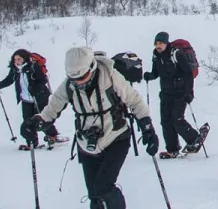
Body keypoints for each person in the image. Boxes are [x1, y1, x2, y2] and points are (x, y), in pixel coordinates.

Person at [24, 46, 157, 209]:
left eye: (82, 77)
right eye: (74, 79)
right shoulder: (69, 84)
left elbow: (134, 100)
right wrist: (38, 120)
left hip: (116, 137)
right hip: (86, 143)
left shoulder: (110, 76)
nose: (78, 82)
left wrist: (147, 127)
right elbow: (54, 105)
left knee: (103, 187)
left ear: (91, 68)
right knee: (94, 194)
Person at [142, 31, 207, 158]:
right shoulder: (156, 56)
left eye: (161, 43)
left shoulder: (176, 54)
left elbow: (188, 73)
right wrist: (149, 76)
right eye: (156, 44)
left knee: (177, 120)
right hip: (165, 93)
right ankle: (172, 150)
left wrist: (189, 92)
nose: (158, 46)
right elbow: (156, 73)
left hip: (180, 92)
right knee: (165, 122)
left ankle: (194, 139)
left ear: (166, 43)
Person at [0, 48, 65, 149]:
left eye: (19, 59)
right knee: (27, 121)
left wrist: (36, 88)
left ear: (25, 59)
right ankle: (32, 143)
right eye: (15, 59)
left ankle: (53, 136)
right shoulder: (15, 70)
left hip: (39, 97)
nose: (16, 62)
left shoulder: (33, 67)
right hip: (26, 100)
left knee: (41, 118)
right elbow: (9, 80)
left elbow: (42, 80)